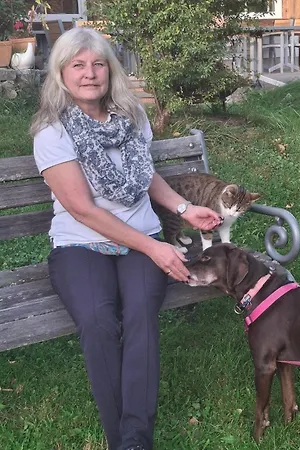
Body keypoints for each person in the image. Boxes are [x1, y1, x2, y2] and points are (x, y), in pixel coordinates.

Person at [30, 27, 222, 450]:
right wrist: (154, 248)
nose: (90, 73)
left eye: (98, 64)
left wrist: (184, 209)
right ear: (61, 74)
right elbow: (82, 209)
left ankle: (134, 438)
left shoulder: (131, 118)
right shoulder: (53, 132)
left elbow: (145, 176)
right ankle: (126, 441)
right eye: (78, 65)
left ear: (110, 70)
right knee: (98, 321)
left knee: (140, 314)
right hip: (80, 245)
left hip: (144, 237)